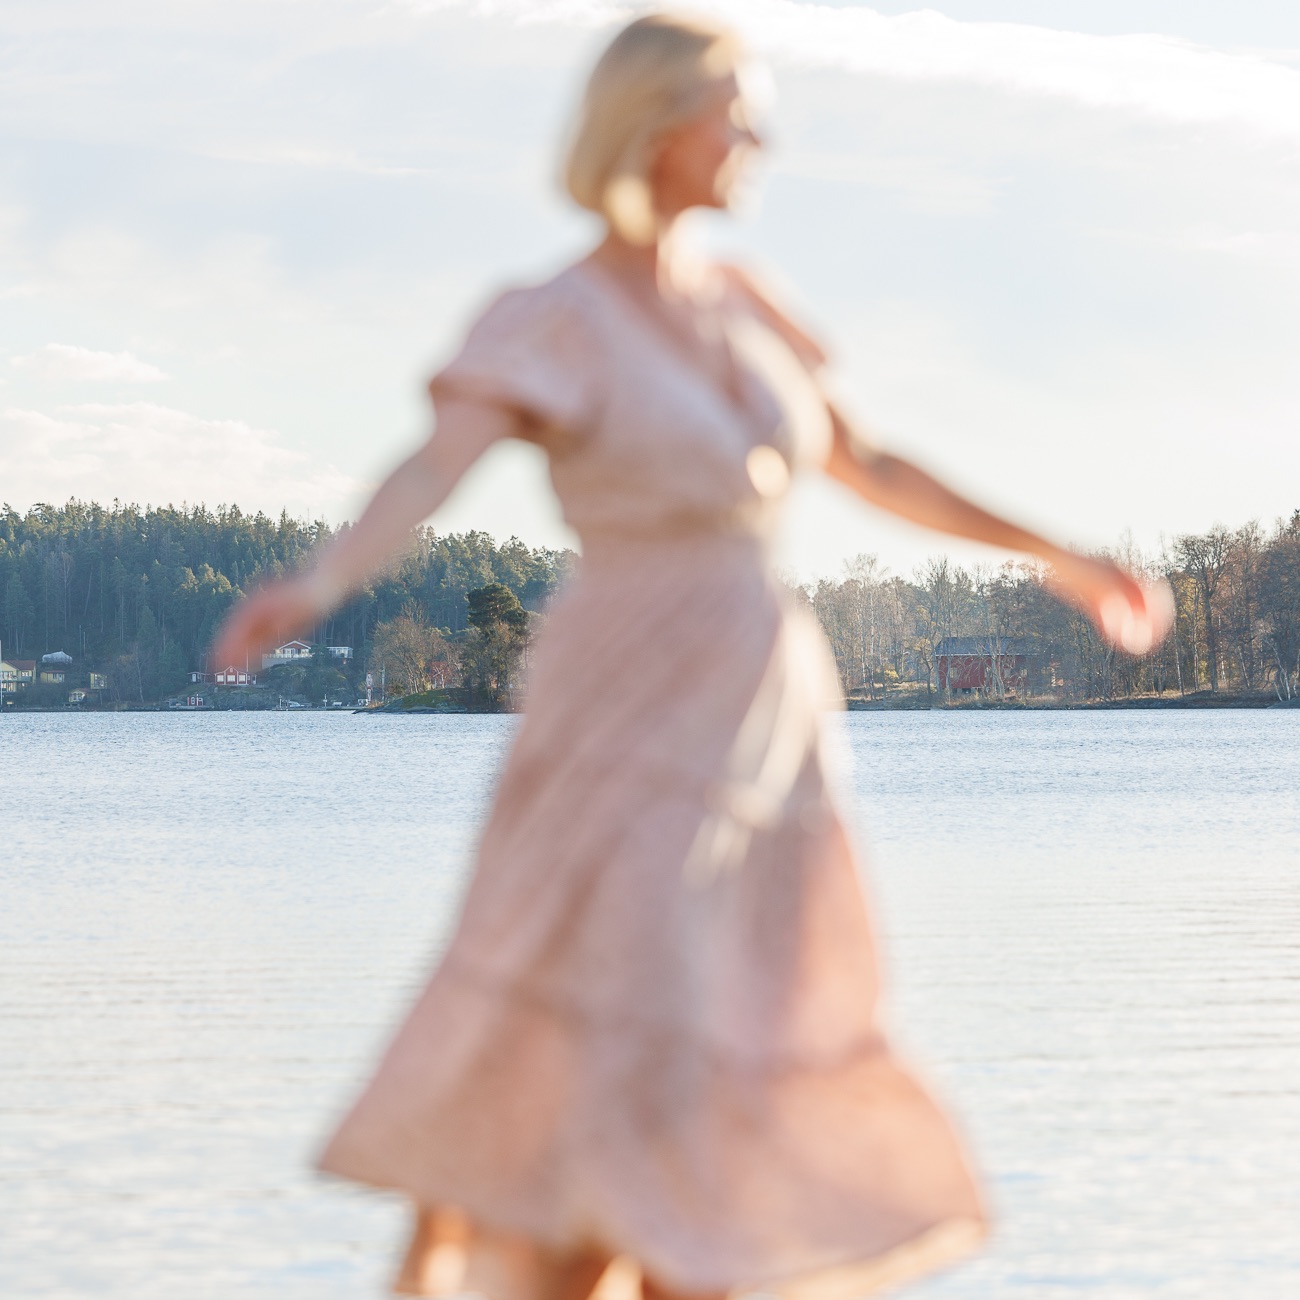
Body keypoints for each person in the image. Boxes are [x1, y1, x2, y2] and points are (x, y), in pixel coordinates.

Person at [213, 12, 1171, 1300]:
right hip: (623, 707)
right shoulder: (550, 316)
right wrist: (322, 579)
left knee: (730, 1040)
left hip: (764, 720)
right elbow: (434, 466)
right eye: (740, 113)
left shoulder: (750, 304)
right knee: (620, 1030)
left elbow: (871, 464)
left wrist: (1057, 556)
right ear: (661, 127)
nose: (759, 140)